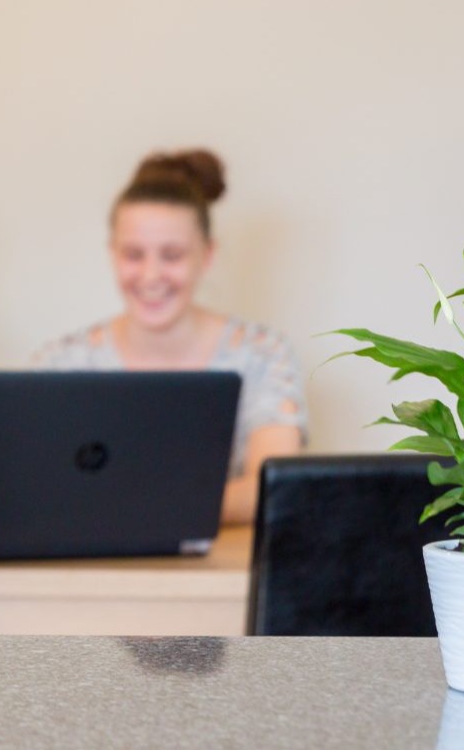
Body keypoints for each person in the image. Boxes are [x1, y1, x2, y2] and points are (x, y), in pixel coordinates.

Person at [33, 150, 306, 525]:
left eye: (172, 255)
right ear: (112, 254)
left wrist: (132, 507)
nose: (151, 276)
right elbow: (38, 487)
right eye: (133, 254)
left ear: (206, 256)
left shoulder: (261, 354)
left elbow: (273, 489)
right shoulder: (61, 363)